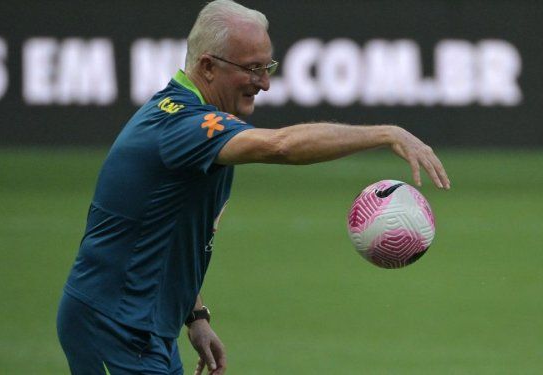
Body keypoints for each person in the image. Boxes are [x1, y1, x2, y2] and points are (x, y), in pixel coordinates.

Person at [56, 0, 451, 374]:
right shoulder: (181, 126)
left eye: (268, 67)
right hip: (114, 324)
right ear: (208, 66)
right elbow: (280, 146)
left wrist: (194, 316)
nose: (263, 83)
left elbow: (168, 234)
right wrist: (385, 133)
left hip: (139, 324)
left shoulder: (189, 120)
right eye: (252, 69)